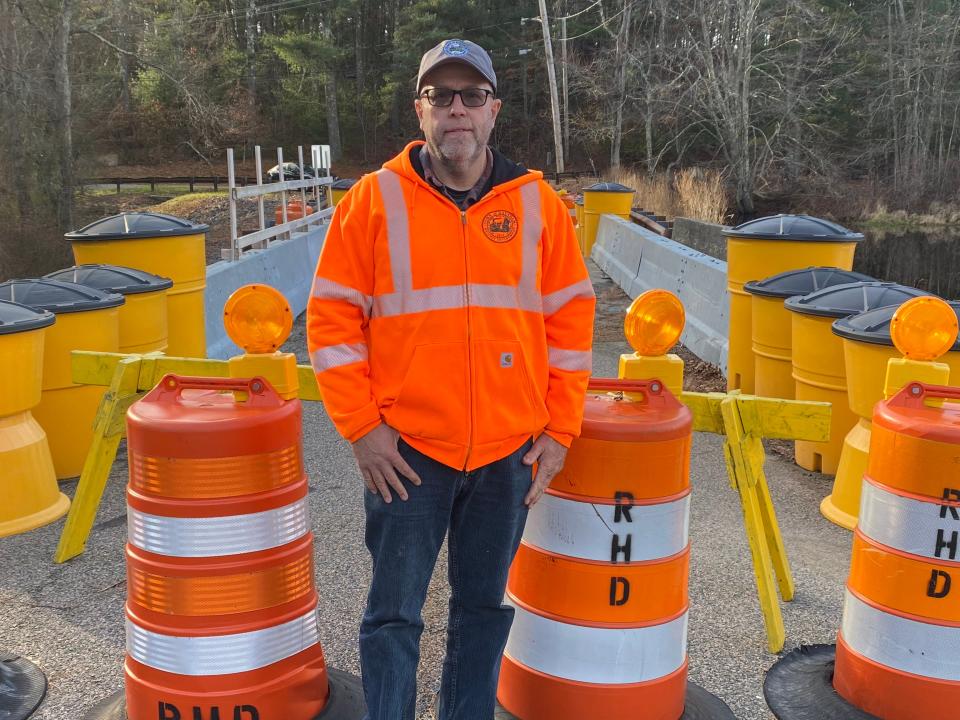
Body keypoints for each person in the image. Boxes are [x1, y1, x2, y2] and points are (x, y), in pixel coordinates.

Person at [307, 38, 595, 720]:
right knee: (393, 616)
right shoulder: (372, 202)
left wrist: (561, 429)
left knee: (481, 614)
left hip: (507, 455)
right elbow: (330, 320)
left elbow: (572, 326)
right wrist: (361, 430)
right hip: (406, 456)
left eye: (471, 96)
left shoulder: (539, 206)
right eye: (442, 96)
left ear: (493, 110)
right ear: (421, 110)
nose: (457, 109)